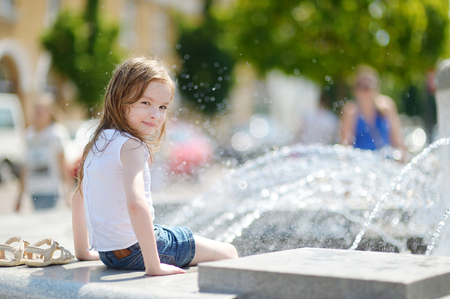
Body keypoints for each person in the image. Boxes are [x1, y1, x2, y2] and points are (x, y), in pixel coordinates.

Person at [72, 57, 238, 276]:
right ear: (120, 99)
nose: (155, 114)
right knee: (229, 252)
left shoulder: (99, 141)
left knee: (178, 232)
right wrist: (154, 265)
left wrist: (83, 251)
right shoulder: (131, 146)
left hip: (109, 253)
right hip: (137, 251)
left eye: (163, 107)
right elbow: (136, 204)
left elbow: (78, 198)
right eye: (145, 103)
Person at [15, 93, 72, 211]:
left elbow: (63, 165)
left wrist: (68, 192)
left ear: (49, 113)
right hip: (34, 190)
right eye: (36, 111)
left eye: (41, 112)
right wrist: (19, 197)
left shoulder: (56, 134)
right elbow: (25, 168)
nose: (37, 115)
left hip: (51, 189)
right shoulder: (29, 136)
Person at [340, 65, 406, 154]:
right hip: (360, 164)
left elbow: (397, 141)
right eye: (362, 86)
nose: (366, 90)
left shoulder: (387, 107)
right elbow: (345, 146)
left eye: (369, 85)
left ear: (377, 87)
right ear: (355, 90)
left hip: (384, 162)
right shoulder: (351, 111)